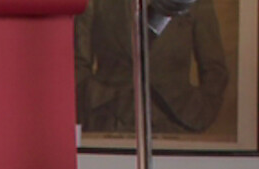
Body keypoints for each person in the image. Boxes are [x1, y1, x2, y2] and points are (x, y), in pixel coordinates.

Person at [75, 0, 230, 135]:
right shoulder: (94, 2)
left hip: (179, 121)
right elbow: (77, 64)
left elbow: (214, 68)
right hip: (109, 122)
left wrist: (200, 112)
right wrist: (93, 107)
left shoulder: (195, 2)